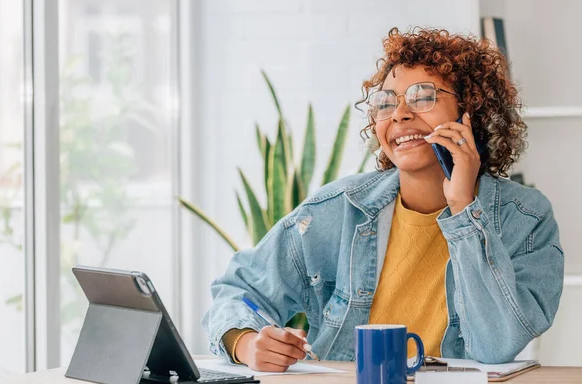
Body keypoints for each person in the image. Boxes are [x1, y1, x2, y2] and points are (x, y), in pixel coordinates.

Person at [202, 27, 564, 372]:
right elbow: (239, 290)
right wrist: (247, 343)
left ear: (471, 111)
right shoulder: (337, 209)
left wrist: (463, 208)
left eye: (423, 96)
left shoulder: (526, 218)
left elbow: (496, 345)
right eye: (386, 102)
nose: (400, 114)